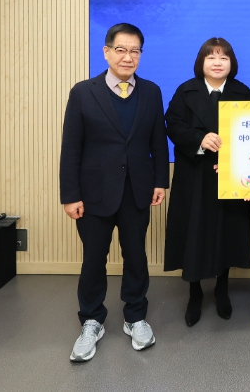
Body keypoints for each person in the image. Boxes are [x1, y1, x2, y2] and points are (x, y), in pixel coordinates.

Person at [60, 23, 170, 362]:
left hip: (137, 190)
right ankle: (91, 321)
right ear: (106, 52)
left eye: (135, 51)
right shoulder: (83, 92)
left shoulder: (151, 91)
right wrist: (70, 195)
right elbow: (71, 148)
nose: (127, 57)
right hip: (93, 194)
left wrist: (160, 181)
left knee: (136, 256)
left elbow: (158, 142)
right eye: (121, 50)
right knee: (94, 259)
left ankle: (135, 317)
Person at [163, 37, 250, 327]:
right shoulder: (185, 91)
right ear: (201, 62)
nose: (217, 63)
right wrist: (199, 139)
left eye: (223, 57)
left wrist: (232, 157)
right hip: (194, 174)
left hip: (230, 174)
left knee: (226, 232)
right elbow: (173, 125)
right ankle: (195, 292)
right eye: (211, 57)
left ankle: (222, 288)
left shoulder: (243, 92)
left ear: (231, 63)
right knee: (194, 231)